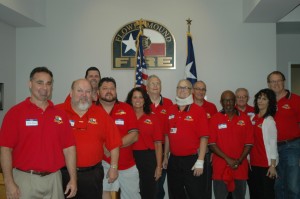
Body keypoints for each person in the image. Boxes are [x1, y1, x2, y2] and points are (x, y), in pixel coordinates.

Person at [0, 66, 77, 199]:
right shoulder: (15, 113)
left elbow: (69, 149)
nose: (44, 87)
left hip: (54, 179)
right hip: (24, 180)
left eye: (48, 83)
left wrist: (73, 179)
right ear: (30, 84)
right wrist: (9, 181)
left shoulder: (60, 115)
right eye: (39, 82)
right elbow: (5, 149)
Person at [56, 79, 122, 199]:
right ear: (71, 93)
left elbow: (115, 143)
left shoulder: (101, 114)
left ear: (92, 94)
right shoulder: (57, 112)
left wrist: (114, 168)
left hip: (92, 175)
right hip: (63, 173)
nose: (84, 95)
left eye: (87, 91)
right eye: (80, 91)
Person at [97, 77, 141, 199]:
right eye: (105, 88)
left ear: (116, 91)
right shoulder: (91, 110)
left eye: (112, 88)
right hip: (102, 164)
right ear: (98, 91)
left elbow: (134, 136)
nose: (109, 91)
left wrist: (111, 146)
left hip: (127, 165)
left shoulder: (126, 108)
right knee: (104, 195)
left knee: (133, 196)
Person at [165, 79, 209, 199]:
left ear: (191, 91)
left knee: (196, 194)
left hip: (193, 160)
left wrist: (200, 161)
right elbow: (168, 136)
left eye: (185, 88)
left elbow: (204, 137)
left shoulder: (199, 111)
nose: (182, 90)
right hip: (174, 160)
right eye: (180, 87)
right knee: (175, 193)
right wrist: (165, 156)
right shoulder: (170, 110)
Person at [209, 90, 254, 199]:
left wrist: (239, 160)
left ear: (235, 102)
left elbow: (249, 143)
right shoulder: (214, 119)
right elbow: (211, 144)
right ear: (221, 102)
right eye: (225, 100)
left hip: (240, 167)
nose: (228, 103)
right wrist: (228, 159)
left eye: (230, 100)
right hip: (220, 168)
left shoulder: (245, 119)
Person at [267, 71, 300, 199]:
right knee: (278, 185)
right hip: (273, 150)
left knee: (293, 185)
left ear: (284, 82)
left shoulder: (296, 99)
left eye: (279, 80)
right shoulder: (267, 101)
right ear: (269, 84)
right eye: (273, 81)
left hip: (291, 146)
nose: (276, 84)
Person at [126, 87, 163, 199]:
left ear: (145, 99)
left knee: (148, 191)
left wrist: (159, 166)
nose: (138, 100)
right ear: (130, 100)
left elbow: (158, 144)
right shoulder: (126, 116)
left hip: (148, 159)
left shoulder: (153, 117)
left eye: (141, 97)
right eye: (135, 97)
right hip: (128, 157)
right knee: (130, 191)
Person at [146, 75, 173, 199]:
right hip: (144, 149)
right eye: (152, 83)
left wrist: (166, 155)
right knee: (145, 184)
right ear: (146, 87)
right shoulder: (141, 102)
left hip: (162, 149)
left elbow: (168, 132)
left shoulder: (168, 103)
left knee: (158, 184)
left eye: (158, 83)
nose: (156, 86)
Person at [247, 88, 278, 199]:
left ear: (270, 102)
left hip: (266, 165)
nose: (260, 101)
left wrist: (273, 166)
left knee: (267, 194)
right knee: (255, 194)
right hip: (253, 165)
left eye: (264, 99)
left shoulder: (269, 121)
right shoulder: (252, 118)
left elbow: (273, 144)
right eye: (259, 98)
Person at [193, 80, 218, 199]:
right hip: (190, 151)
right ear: (193, 90)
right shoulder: (185, 105)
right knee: (190, 184)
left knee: (205, 184)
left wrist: (213, 151)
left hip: (207, 152)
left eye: (203, 89)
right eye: (198, 88)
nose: (200, 91)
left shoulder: (212, 107)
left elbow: (215, 131)